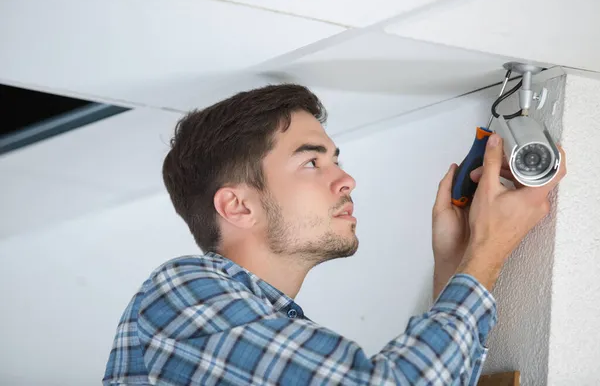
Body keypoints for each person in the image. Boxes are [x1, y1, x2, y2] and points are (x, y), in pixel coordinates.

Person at [102, 84, 566, 385]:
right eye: (311, 162)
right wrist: (485, 255)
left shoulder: (276, 333)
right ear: (238, 206)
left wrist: (455, 264)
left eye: (335, 159)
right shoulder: (180, 292)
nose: (346, 180)